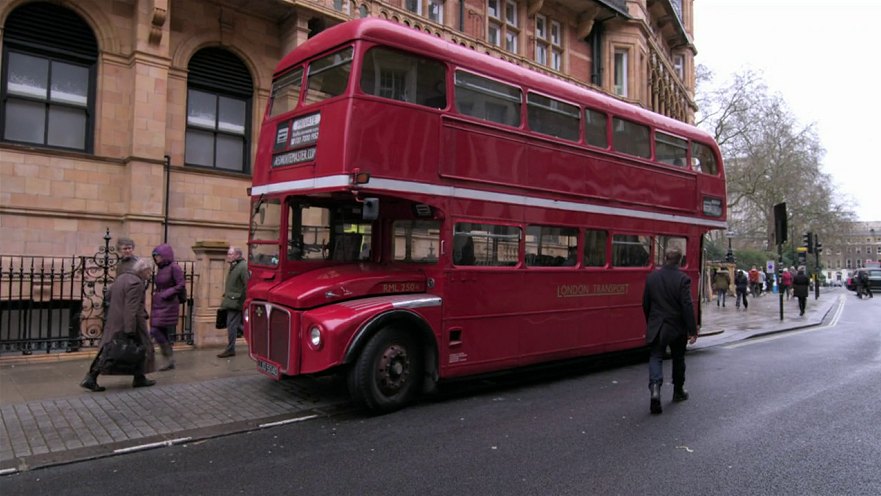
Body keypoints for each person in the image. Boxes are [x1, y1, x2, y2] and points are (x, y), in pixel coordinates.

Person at [81, 258, 156, 391]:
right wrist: (130, 329)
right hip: (131, 322)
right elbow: (131, 308)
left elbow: (109, 296)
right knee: (130, 349)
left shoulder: (121, 278)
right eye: (149, 271)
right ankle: (91, 377)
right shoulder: (136, 283)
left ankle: (140, 377)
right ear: (143, 270)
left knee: (110, 349)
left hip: (115, 320)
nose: (150, 275)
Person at [642, 248, 698, 415]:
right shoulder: (683, 279)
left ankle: (655, 389)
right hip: (677, 326)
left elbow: (645, 303)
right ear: (680, 261)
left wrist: (651, 322)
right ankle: (678, 391)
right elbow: (687, 306)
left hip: (657, 325)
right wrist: (692, 330)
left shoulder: (652, 277)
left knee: (656, 356)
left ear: (665, 259)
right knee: (678, 358)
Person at [150, 244, 186, 371]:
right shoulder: (160, 268)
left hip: (169, 303)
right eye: (154, 256)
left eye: (157, 256)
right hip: (159, 303)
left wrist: (166, 293)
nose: (156, 259)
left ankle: (168, 358)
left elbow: (181, 284)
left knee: (154, 330)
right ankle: (169, 360)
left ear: (164, 255)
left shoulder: (174, 267)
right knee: (161, 331)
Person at [218, 246, 248, 358]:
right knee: (238, 325)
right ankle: (258, 341)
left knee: (231, 325)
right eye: (228, 254)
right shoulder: (234, 266)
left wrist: (241, 301)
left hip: (236, 302)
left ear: (237, 255)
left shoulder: (243, 267)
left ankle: (230, 349)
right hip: (231, 300)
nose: (228, 256)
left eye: (230, 254)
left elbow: (247, 284)